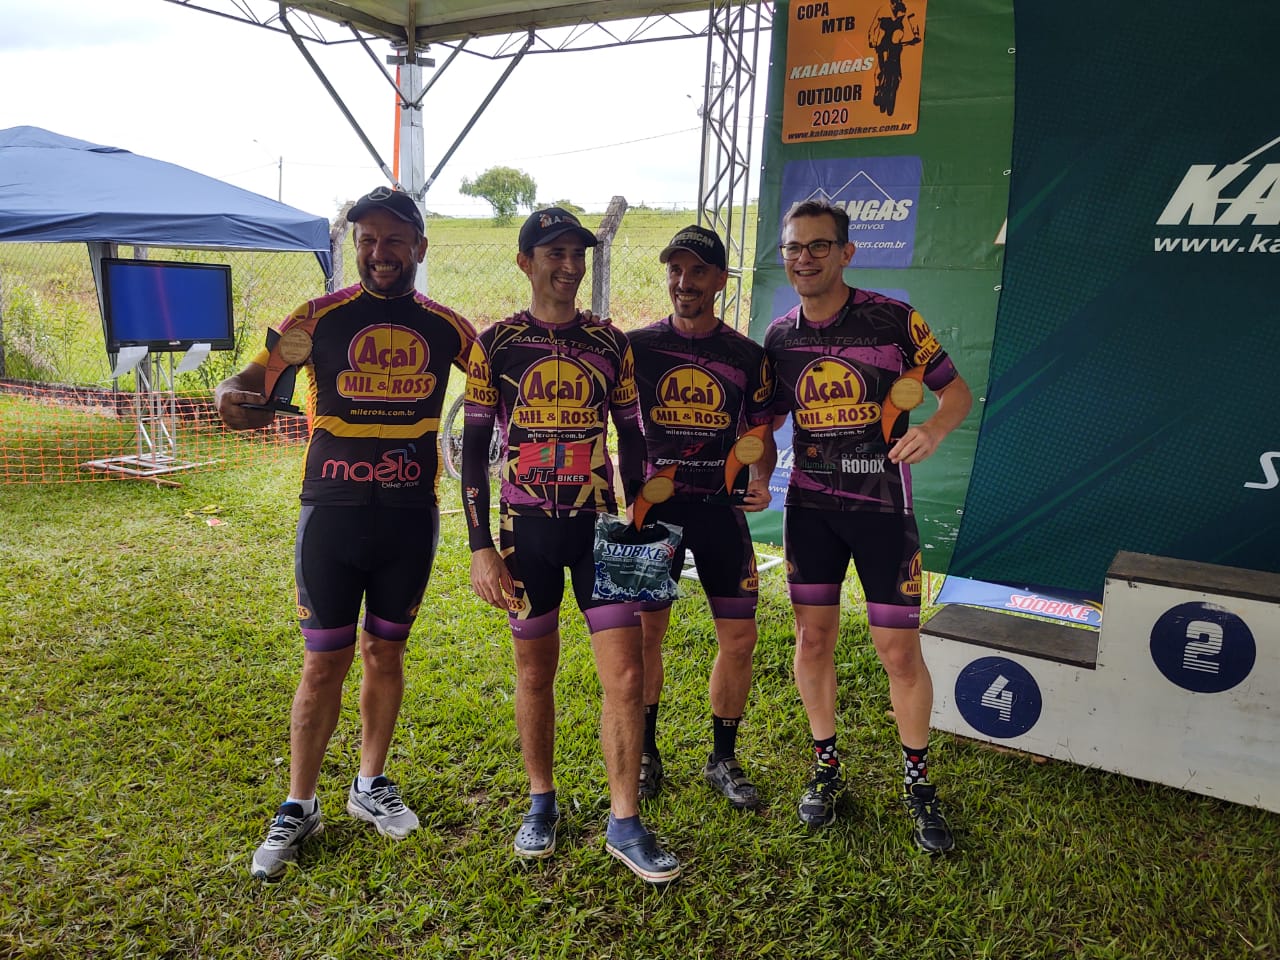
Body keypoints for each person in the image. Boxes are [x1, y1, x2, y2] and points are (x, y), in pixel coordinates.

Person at [214, 186, 476, 880]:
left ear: (420, 247)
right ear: (354, 245)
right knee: (322, 662)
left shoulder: (448, 327)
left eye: (394, 240)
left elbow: (506, 381)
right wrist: (230, 397)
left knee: (385, 654)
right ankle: (299, 803)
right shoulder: (314, 318)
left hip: (408, 516)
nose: (379, 252)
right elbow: (249, 381)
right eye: (367, 240)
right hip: (329, 515)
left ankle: (369, 783)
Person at [462, 207, 680, 884]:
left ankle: (625, 821)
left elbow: (634, 438)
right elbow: (472, 454)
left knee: (627, 675)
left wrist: (641, 517)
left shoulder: (609, 343)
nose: (568, 266)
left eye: (577, 254)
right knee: (535, 673)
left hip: (601, 531)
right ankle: (541, 800)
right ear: (525, 262)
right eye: (554, 253)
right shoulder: (495, 345)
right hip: (523, 534)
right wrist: (479, 546)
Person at [763, 200, 972, 852]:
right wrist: (748, 466)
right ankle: (827, 768)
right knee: (812, 641)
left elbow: (956, 392)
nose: (804, 258)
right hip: (811, 512)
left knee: (899, 652)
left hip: (883, 511)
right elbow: (767, 422)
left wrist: (933, 430)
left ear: (847, 252)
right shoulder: (778, 337)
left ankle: (919, 786)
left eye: (819, 246)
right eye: (794, 247)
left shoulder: (894, 319)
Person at [626, 225, 775, 810]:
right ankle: (644, 753)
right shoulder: (635, 347)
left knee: (739, 637)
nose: (683, 282)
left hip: (718, 510)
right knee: (644, 635)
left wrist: (760, 480)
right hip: (652, 511)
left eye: (697, 271)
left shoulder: (746, 356)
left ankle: (723, 757)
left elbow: (760, 433)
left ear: (719, 280)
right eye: (675, 269)